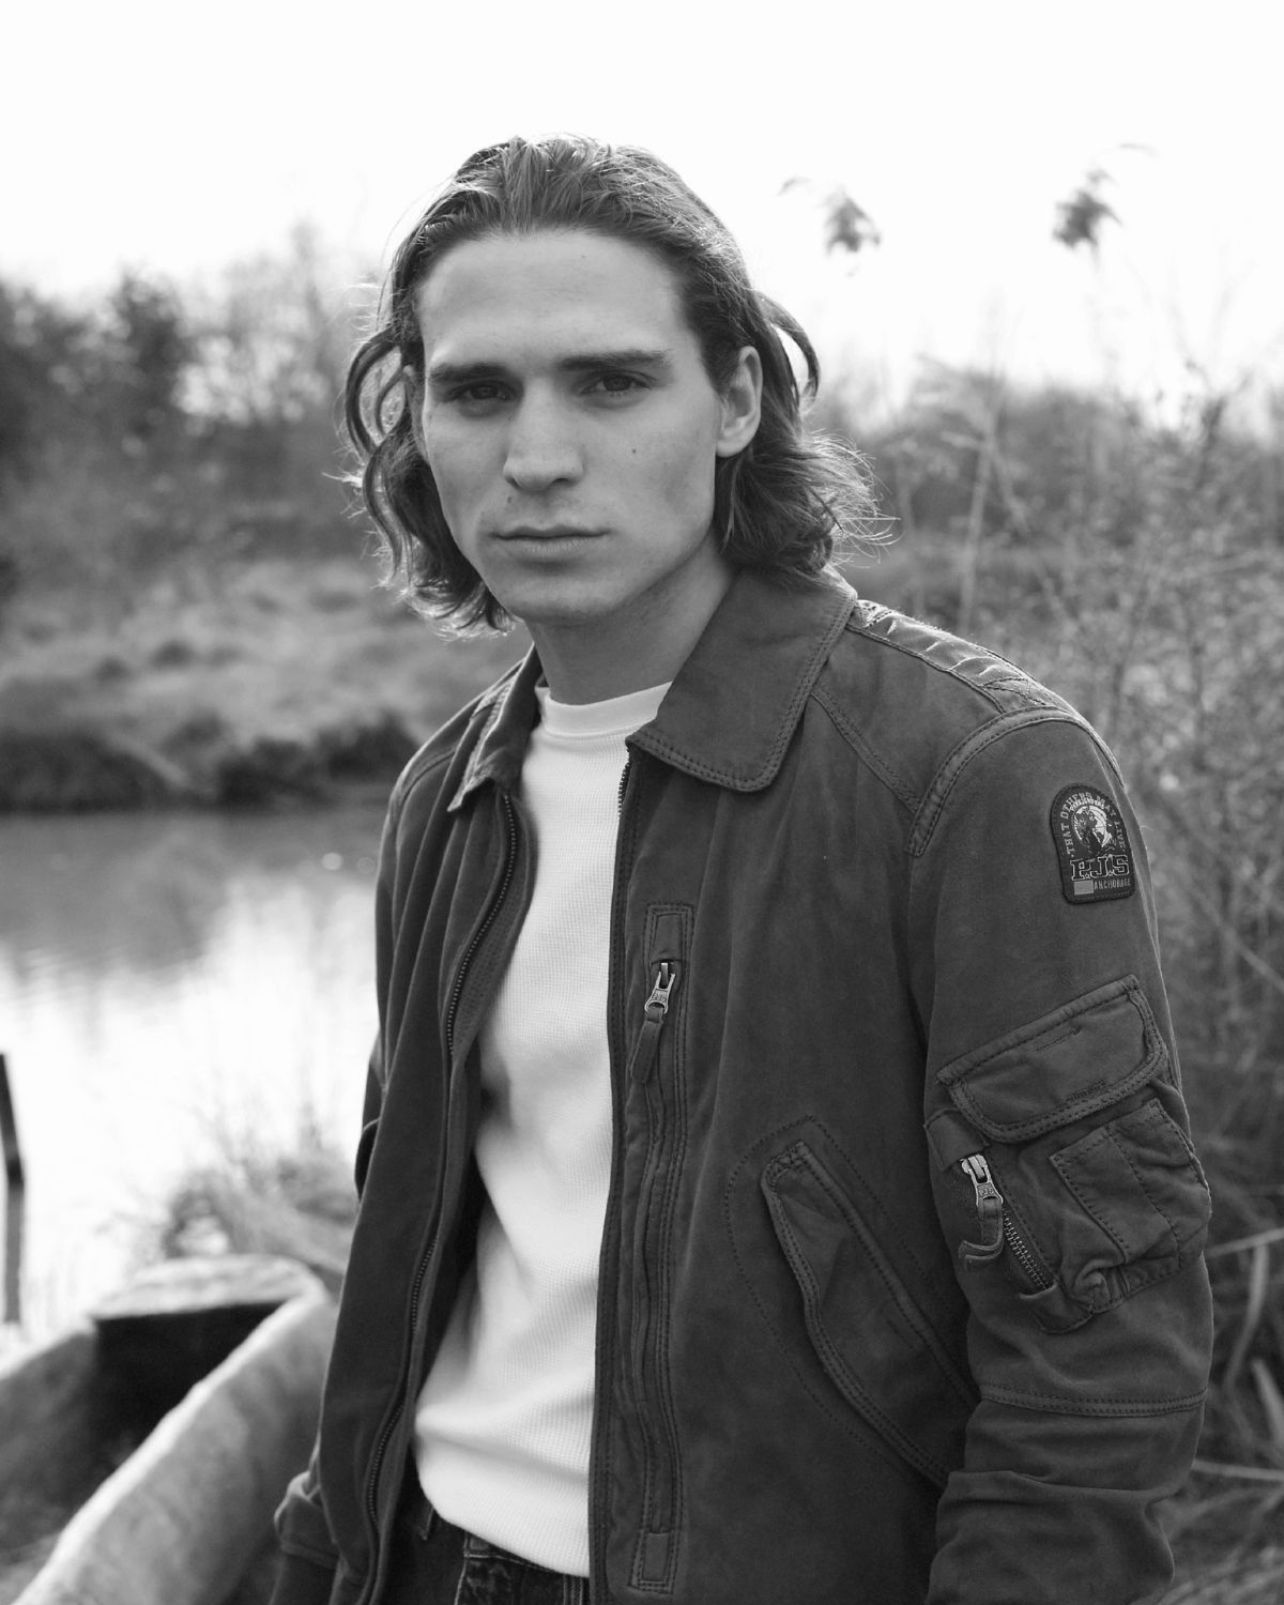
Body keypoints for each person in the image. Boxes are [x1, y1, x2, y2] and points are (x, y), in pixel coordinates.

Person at [271, 135, 1213, 1605]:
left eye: (610, 382)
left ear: (736, 399)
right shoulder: (445, 799)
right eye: (478, 391)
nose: (537, 456)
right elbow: (404, 1265)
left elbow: (1098, 1366)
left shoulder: (969, 774)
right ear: (419, 430)